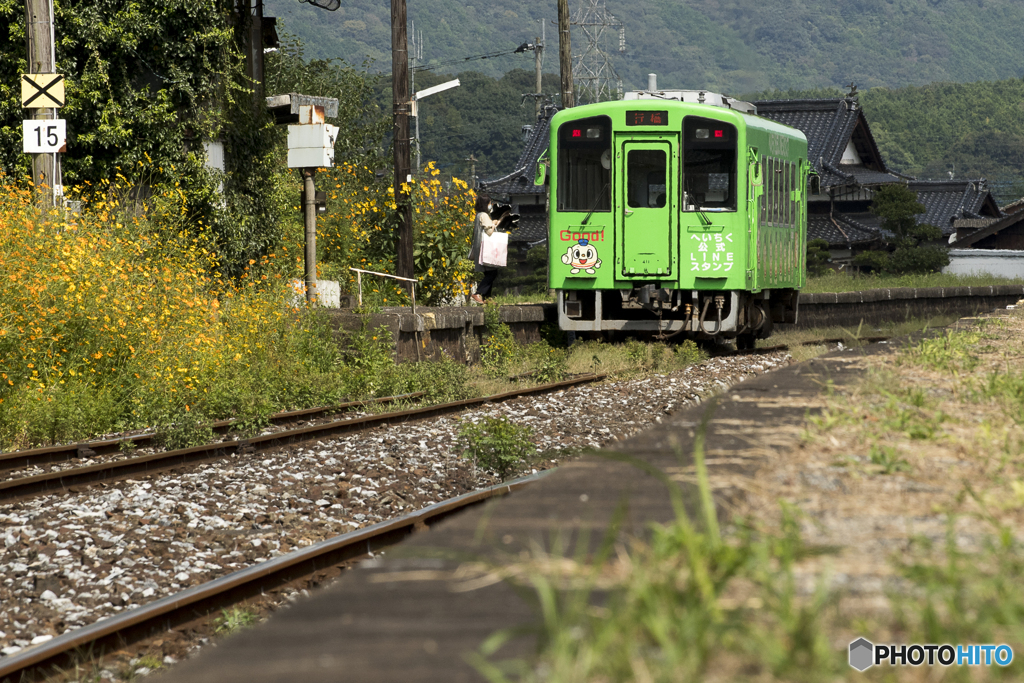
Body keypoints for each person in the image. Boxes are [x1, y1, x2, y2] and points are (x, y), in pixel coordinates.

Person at [468, 195, 504, 304]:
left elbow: (490, 225)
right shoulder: (483, 215)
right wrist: (493, 224)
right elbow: (489, 231)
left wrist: (500, 219)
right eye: (489, 203)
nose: (490, 205)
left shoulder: (479, 215)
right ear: (485, 204)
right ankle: (477, 293)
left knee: (489, 272)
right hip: (486, 248)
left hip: (480, 247)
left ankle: (487, 298)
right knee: (492, 273)